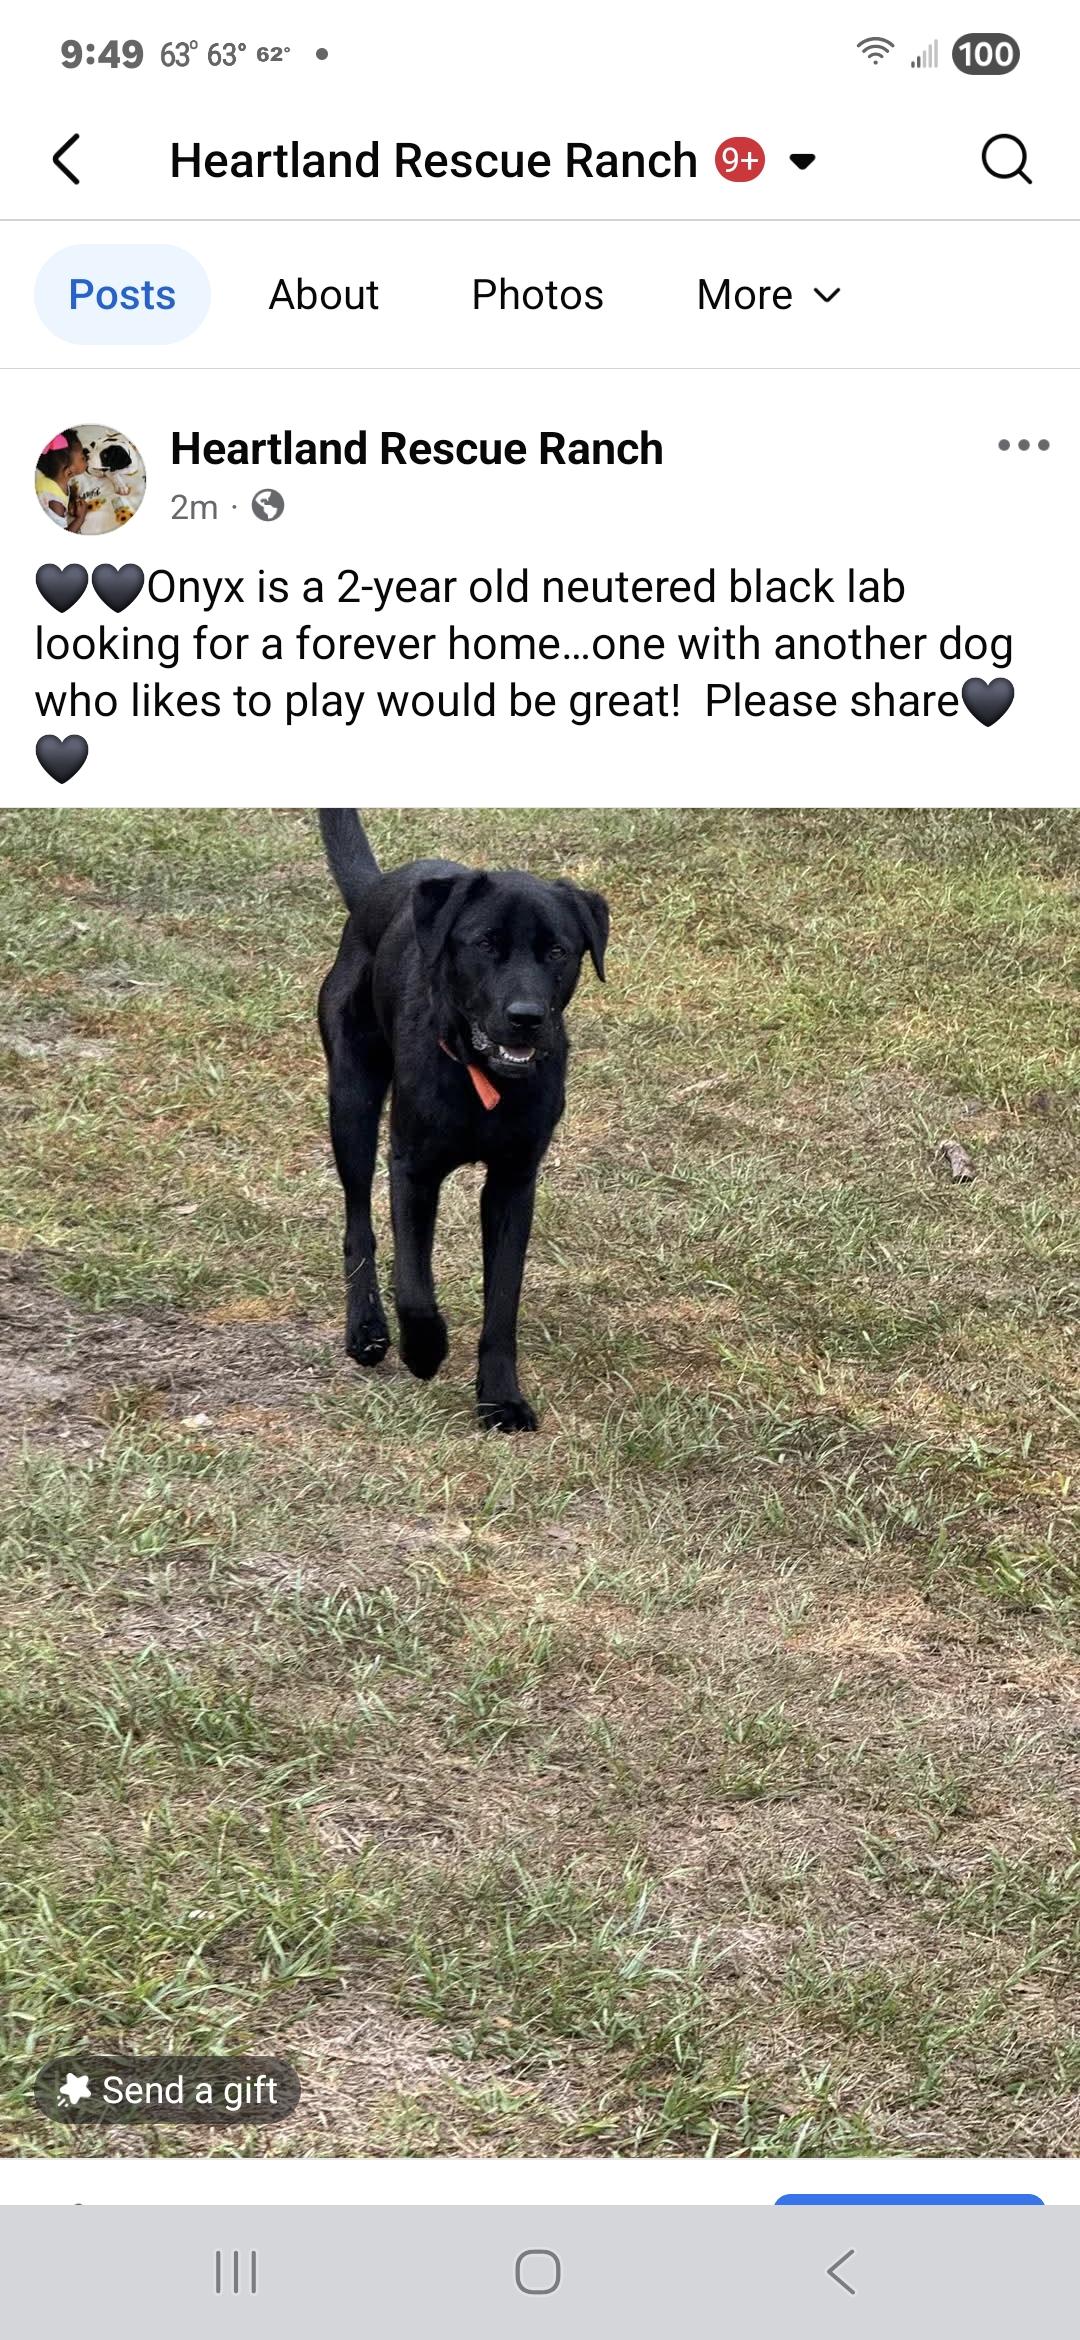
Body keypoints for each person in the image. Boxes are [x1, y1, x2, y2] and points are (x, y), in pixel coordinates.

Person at [36, 431, 94, 531]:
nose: (87, 457)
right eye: (83, 458)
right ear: (69, 473)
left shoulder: (55, 474)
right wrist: (80, 517)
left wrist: (71, 499)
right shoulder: (55, 504)